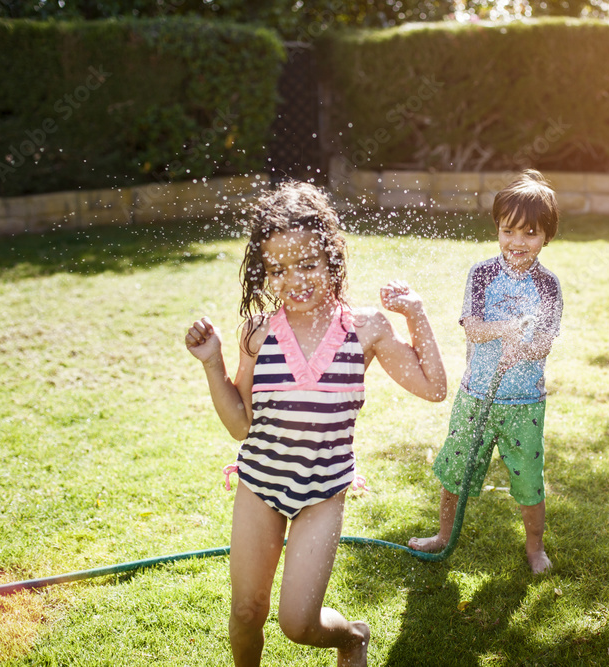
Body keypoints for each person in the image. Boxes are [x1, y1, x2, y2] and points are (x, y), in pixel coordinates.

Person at [185, 180, 447, 667]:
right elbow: (240, 426)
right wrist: (211, 363)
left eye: (307, 264)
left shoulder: (365, 328)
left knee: (298, 624)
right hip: (260, 484)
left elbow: (434, 387)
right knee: (246, 611)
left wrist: (416, 314)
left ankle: (352, 638)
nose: (295, 280)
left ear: (332, 257)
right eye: (278, 269)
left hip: (322, 492)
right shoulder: (258, 334)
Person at [408, 169, 562, 574]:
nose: (517, 242)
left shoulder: (548, 286)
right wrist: (511, 329)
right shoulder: (481, 275)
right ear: (497, 228)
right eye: (509, 231)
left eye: (530, 233)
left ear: (546, 236)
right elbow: (474, 329)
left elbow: (544, 343)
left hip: (524, 403)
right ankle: (443, 535)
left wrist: (524, 350)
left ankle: (534, 547)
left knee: (529, 481)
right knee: (454, 471)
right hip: (476, 395)